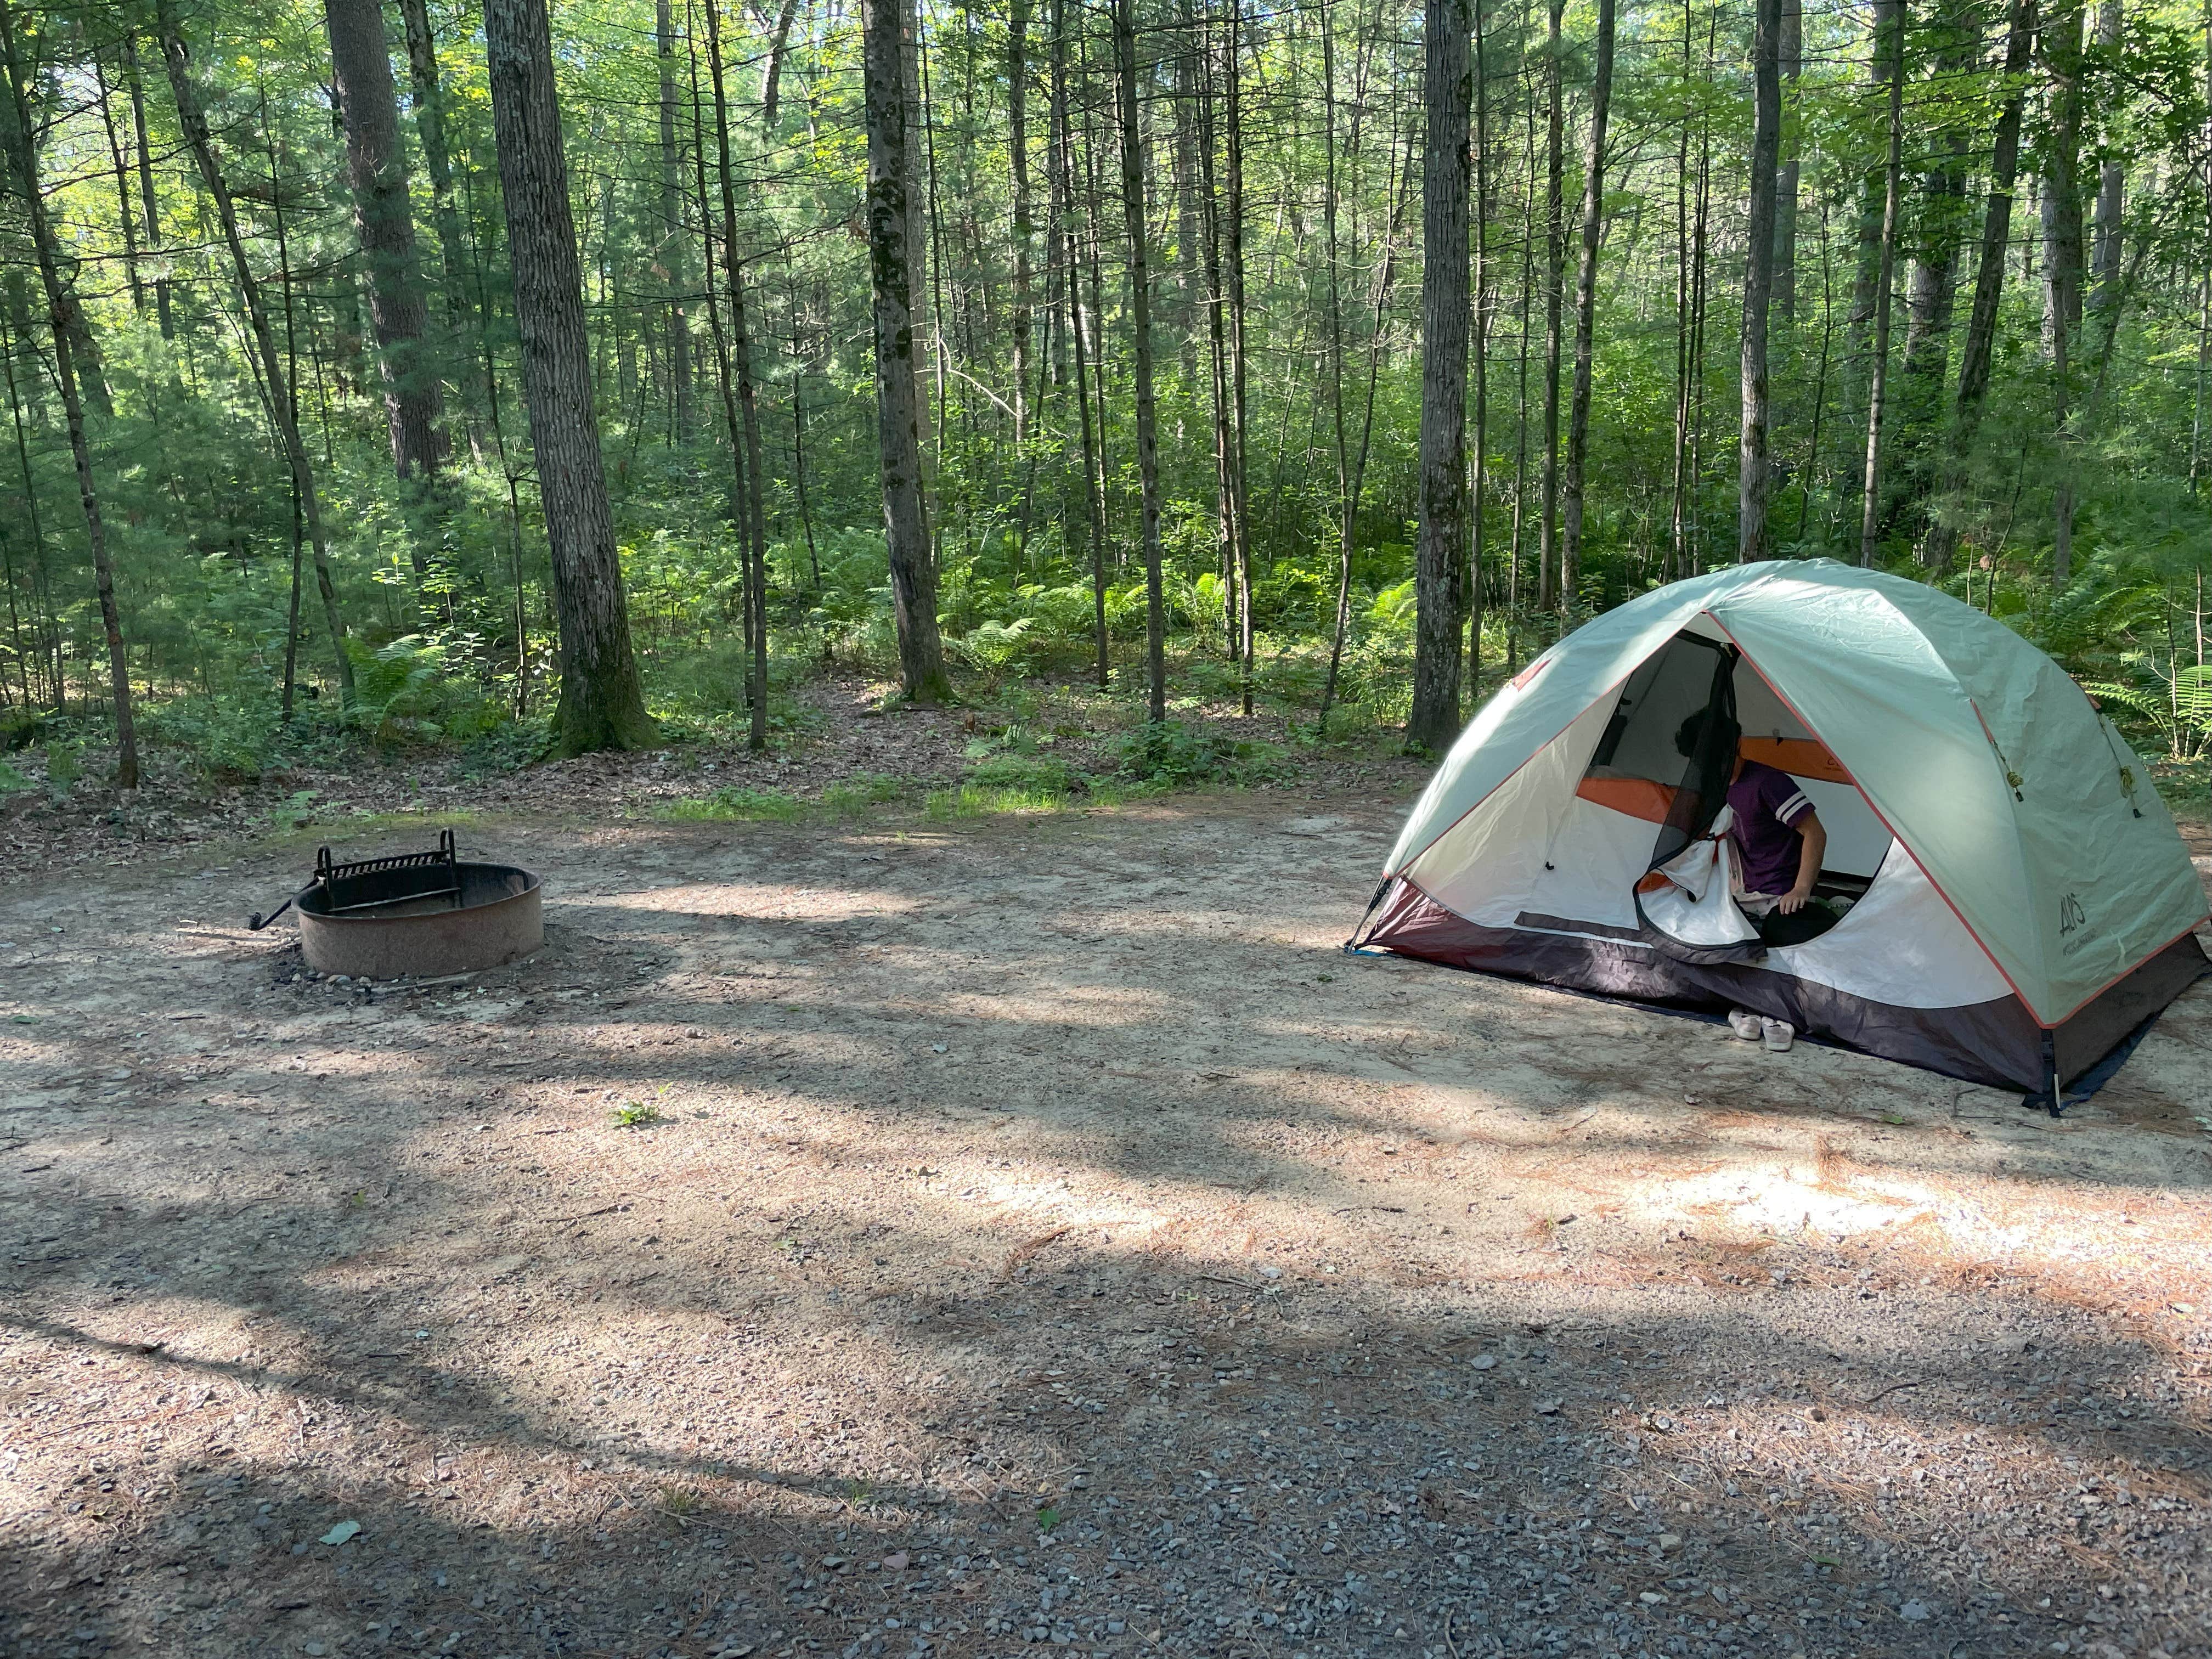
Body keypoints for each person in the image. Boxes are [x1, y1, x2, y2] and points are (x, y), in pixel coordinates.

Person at [1673, 709, 1835, 1052]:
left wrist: (1801, 888)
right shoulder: (1717, 789)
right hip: (1741, 893)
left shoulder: (1768, 783)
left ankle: (1763, 1005)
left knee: (1791, 938)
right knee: (1705, 937)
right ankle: (1754, 1005)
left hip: (1781, 895)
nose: (1706, 766)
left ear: (1736, 746)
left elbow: (1815, 833)